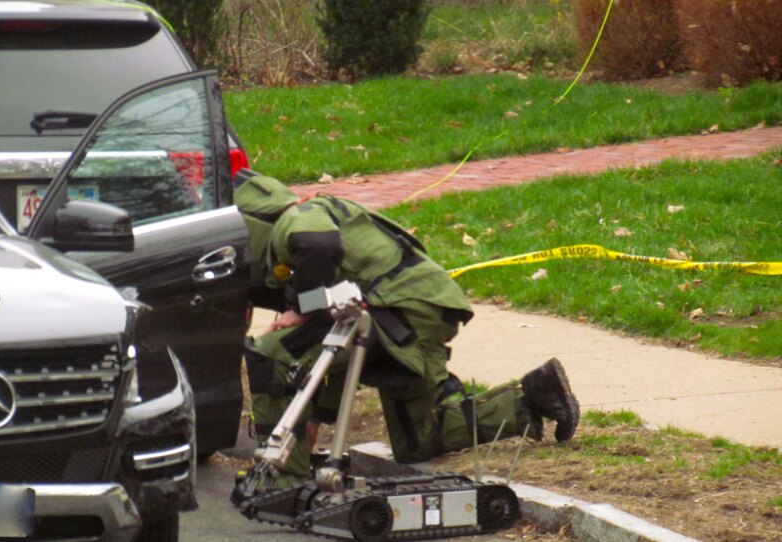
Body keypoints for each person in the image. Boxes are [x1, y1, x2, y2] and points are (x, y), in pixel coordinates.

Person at [232, 173, 579, 494]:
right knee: (417, 441)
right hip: (418, 314)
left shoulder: (295, 216)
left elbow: (320, 248)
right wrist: (316, 418)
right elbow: (332, 348)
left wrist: (301, 308)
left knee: (270, 353)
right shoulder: (311, 220)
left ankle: (282, 484)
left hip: (399, 313)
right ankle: (532, 397)